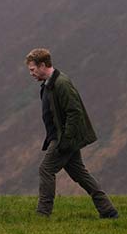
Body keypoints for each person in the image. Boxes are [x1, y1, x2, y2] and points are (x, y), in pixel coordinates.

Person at [25, 48, 118, 219]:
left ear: (43, 65)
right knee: (80, 174)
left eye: (32, 69)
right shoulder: (50, 84)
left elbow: (74, 112)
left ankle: (42, 213)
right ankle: (108, 210)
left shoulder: (62, 84)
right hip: (63, 138)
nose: (31, 73)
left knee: (46, 169)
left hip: (64, 139)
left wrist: (66, 140)